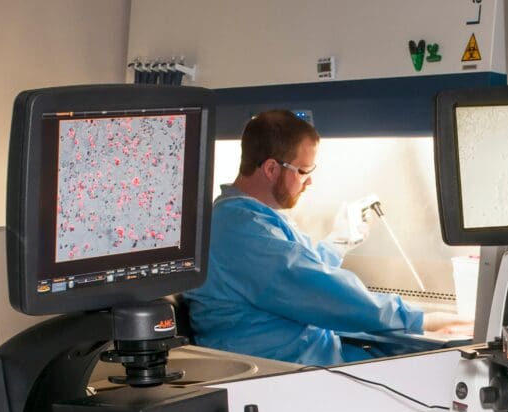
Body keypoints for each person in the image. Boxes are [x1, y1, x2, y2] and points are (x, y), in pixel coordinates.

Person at [184, 110, 468, 366]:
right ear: (271, 169)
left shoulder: (249, 217)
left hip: (308, 357)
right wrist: (419, 320)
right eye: (304, 171)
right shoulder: (241, 229)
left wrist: (338, 241)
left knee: (409, 361)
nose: (310, 182)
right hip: (284, 373)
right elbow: (316, 290)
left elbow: (300, 271)